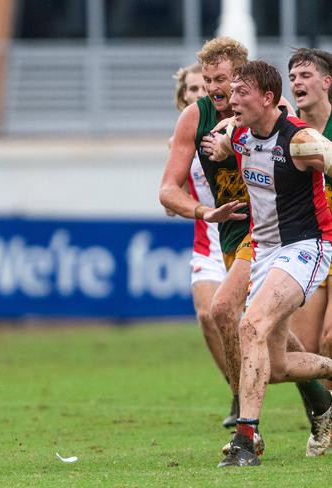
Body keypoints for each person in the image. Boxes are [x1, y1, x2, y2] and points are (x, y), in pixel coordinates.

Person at [160, 37, 329, 459]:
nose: (221, 92)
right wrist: (203, 209)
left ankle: (246, 429)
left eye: (229, 84)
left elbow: (292, 131)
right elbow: (167, 192)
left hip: (293, 240)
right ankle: (318, 405)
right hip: (246, 237)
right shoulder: (214, 125)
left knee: (239, 318)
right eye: (212, 83)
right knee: (274, 355)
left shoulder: (291, 131)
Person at [207, 60, 332, 467]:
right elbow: (229, 138)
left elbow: (325, 153)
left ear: (267, 99)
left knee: (250, 325)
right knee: (274, 366)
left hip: (307, 247)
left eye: (241, 92)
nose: (232, 100)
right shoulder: (239, 132)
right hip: (265, 250)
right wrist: (224, 144)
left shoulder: (300, 140)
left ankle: (246, 441)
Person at [171, 63, 232, 425]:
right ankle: (238, 392)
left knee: (275, 333)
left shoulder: (235, 128)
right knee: (208, 315)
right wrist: (183, 202)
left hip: (247, 239)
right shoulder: (180, 139)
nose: (199, 94)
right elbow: (171, 194)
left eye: (204, 87)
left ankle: (316, 399)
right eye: (192, 89)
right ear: (182, 98)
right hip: (208, 242)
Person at [286, 48, 332, 393]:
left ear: (326, 82)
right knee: (303, 348)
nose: (296, 82)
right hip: (311, 248)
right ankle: (324, 421)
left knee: (331, 339)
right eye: (292, 77)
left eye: (304, 75)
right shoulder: (287, 131)